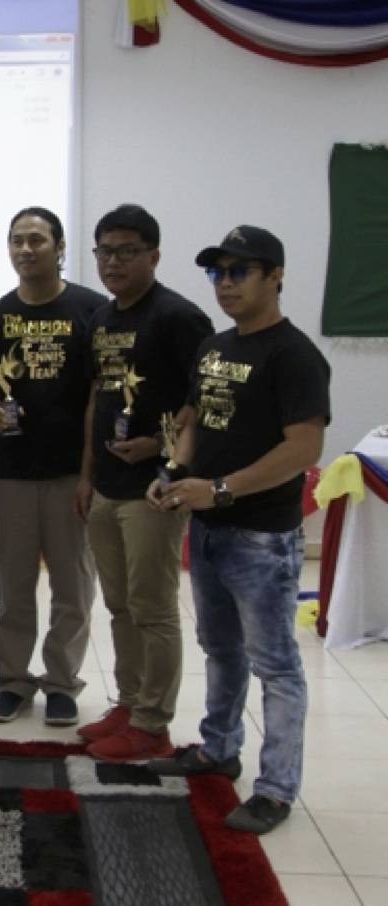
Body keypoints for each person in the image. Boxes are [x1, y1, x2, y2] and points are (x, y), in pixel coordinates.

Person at [147, 225, 329, 835]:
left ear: (275, 275)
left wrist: (221, 489)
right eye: (216, 273)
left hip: (262, 538)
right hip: (207, 529)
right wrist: (173, 469)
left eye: (239, 271)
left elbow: (302, 447)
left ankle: (276, 788)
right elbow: (194, 417)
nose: (225, 283)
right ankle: (218, 749)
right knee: (220, 650)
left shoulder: (296, 355)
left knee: (275, 665)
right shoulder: (214, 347)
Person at [75, 204, 213, 761]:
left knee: (153, 608)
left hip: (155, 488)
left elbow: (205, 401)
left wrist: (160, 447)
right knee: (119, 605)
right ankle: (129, 704)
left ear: (154, 255)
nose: (113, 261)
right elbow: (96, 400)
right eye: (105, 251)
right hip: (107, 484)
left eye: (127, 251)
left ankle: (153, 723)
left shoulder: (179, 318)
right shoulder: (103, 319)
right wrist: (86, 475)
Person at [0, 208, 106, 728]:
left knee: (72, 588)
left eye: (37, 239)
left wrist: (88, 475)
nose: (26, 249)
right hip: (11, 471)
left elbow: (102, 397)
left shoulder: (92, 311)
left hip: (68, 476)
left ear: (59, 247)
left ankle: (61, 683)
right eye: (17, 240)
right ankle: (12, 682)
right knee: (11, 587)